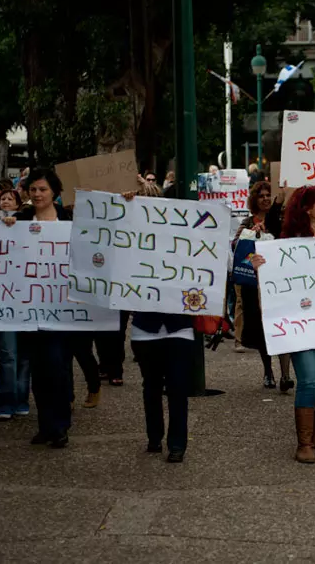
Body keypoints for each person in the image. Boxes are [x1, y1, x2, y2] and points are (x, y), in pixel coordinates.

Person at [251, 186, 315, 463]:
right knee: (309, 379)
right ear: (307, 209)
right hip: (300, 326)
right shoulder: (284, 246)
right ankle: (304, 442)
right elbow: (274, 284)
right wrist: (260, 268)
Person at [3, 168, 81, 448]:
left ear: (55, 193)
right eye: (33, 189)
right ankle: (46, 425)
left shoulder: (69, 220)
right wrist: (6, 226)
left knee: (58, 367)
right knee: (38, 369)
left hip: (62, 308)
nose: (37, 194)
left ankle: (60, 426)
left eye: (43, 189)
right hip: (29, 307)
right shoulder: (21, 219)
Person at [118, 187, 192, 463]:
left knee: (177, 386)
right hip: (146, 327)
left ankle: (177, 444)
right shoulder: (131, 238)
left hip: (179, 326)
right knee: (151, 386)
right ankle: (154, 437)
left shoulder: (183, 237)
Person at [234, 181, 293, 392]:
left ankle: (286, 374)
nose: (266, 198)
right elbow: (237, 247)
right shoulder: (248, 222)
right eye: (262, 195)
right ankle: (268, 370)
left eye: (269, 195)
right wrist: (252, 234)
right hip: (254, 284)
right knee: (262, 331)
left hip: (279, 283)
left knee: (282, 325)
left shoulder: (280, 219)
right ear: (254, 200)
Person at [0, 189, 31, 420]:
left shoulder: (28, 225)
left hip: (26, 299)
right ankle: (5, 402)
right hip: (2, 298)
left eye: (10, 199)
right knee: (7, 354)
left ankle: (21, 399)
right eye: (2, 198)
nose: (5, 202)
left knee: (25, 355)